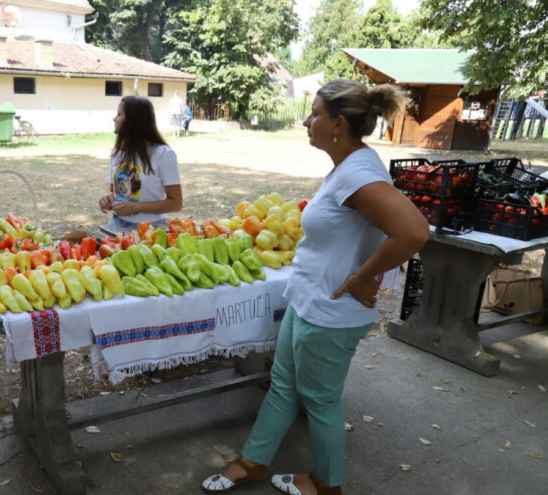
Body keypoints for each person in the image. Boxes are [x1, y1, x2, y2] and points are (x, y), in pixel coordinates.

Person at [200, 79, 429, 495]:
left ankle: (326, 483)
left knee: (321, 400)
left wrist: (364, 277)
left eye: (315, 113)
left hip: (331, 312)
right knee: (282, 386)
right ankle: (253, 462)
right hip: (307, 301)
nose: (307, 121)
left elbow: (413, 231)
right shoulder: (348, 166)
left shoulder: (358, 172)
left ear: (338, 124)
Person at [99, 96, 183, 234]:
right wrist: (108, 199)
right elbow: (116, 193)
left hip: (151, 228)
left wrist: (137, 207)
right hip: (117, 224)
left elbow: (176, 203)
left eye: (119, 114)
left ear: (133, 120)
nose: (114, 119)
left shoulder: (163, 154)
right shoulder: (117, 152)